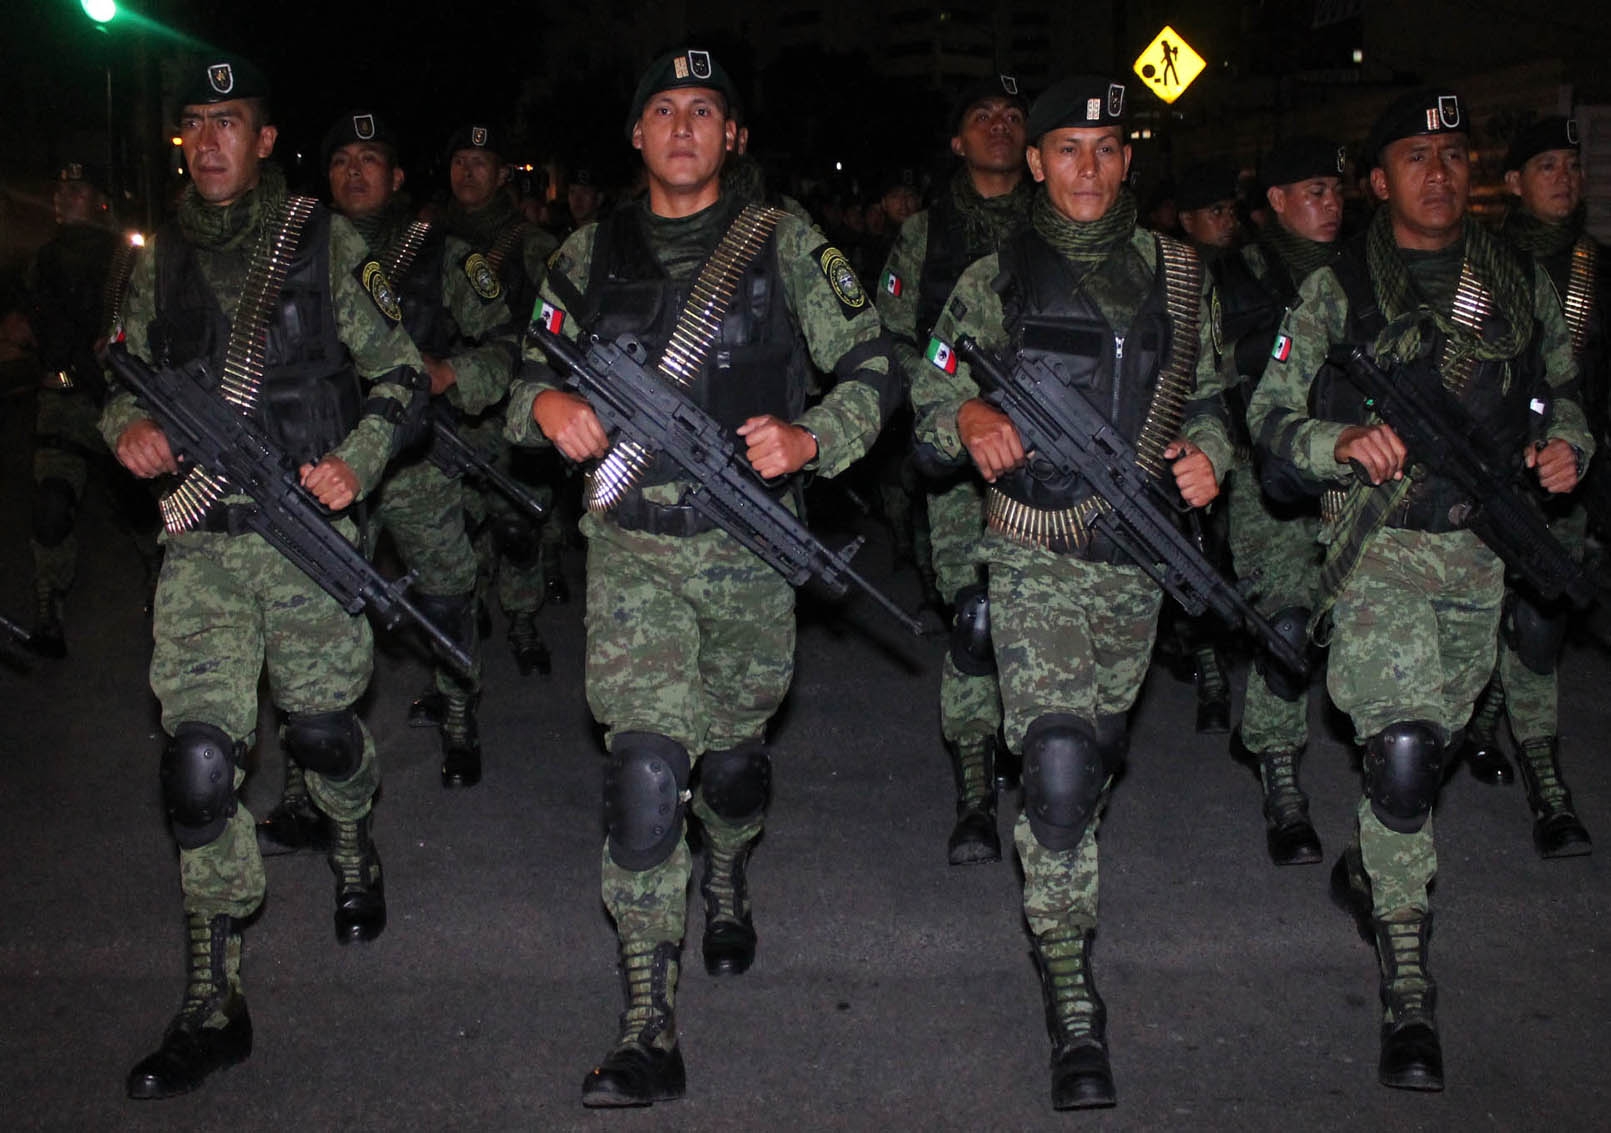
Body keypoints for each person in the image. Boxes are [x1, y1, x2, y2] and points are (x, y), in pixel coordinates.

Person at [505, 47, 901, 1107]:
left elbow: (873, 362)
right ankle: (646, 1022)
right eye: (663, 110)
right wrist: (545, 409)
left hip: (750, 548)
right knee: (643, 775)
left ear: (733, 137)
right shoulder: (584, 254)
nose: (683, 127)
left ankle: (726, 858)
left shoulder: (788, 243)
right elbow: (526, 370)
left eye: (705, 111)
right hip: (632, 543)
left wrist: (814, 439)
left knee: (729, 763)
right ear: (636, 136)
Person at [1247, 89, 1592, 1090]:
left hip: (1484, 551)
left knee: (1426, 752)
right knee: (1399, 755)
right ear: (1378, 178)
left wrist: (1570, 443)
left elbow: (1563, 392)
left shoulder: (1515, 280)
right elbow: (1268, 415)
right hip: (1382, 549)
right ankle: (1407, 979)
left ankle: (1377, 868)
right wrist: (1336, 440)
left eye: (1451, 154)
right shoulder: (1336, 288)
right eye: (1414, 155)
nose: (1438, 172)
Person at [100, 56, 427, 1099]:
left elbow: (404, 376)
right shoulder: (159, 260)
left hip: (305, 536)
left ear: (267, 139)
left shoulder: (325, 244)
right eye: (193, 123)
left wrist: (357, 464)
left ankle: (352, 831)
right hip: (201, 539)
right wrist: (130, 431)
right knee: (198, 762)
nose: (207, 142)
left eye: (229, 122)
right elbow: (115, 377)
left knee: (325, 729)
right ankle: (213, 1000)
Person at [911, 74, 1231, 1109]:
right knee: (1053, 764)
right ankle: (1069, 981)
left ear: (1126, 160)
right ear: (1037, 162)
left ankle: (1065, 871)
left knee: (1092, 751)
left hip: (1134, 558)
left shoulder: (1182, 276)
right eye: (1067, 149)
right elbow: (927, 388)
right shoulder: (992, 277)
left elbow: (1222, 393)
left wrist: (1209, 452)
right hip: (1034, 546)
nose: (1088, 167)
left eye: (1107, 147)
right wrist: (965, 421)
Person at [878, 74, 1033, 865]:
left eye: (1013, 116)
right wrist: (949, 407)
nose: (999, 127)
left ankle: (1044, 763)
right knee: (975, 617)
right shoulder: (925, 234)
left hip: (1054, 453)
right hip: (963, 448)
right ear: (957, 139)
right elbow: (893, 338)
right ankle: (974, 787)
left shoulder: (1062, 221)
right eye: (983, 115)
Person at [1459, 115, 1604, 857]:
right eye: (1545, 164)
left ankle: (1543, 778)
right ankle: (1492, 735)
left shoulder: (1592, 269)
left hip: (1567, 473)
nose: (1564, 178)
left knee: (1540, 625)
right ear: (1512, 182)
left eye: (1571, 165)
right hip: (1493, 472)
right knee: (1484, 623)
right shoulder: (1483, 265)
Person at [1212, 137, 1348, 865]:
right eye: (1313, 191)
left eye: (1335, 190)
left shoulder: (1361, 273)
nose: (1329, 205)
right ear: (1274, 201)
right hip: (1263, 474)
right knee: (1287, 629)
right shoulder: (1234, 277)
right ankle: (1280, 778)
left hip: (1355, 472)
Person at [439, 122, 564, 669]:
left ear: (502, 174)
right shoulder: (423, 238)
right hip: (443, 405)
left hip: (509, 404)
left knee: (516, 525)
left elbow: (561, 321)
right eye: (459, 160)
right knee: (450, 529)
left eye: (480, 162)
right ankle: (460, 625)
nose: (467, 171)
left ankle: (522, 620)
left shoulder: (530, 243)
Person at [26, 162, 127, 656]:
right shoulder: (41, 261)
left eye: (78, 190)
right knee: (51, 506)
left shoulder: (122, 260)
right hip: (62, 403)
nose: (65, 198)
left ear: (99, 200)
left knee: (146, 507)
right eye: (60, 189)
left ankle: (163, 589)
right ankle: (49, 611)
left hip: (114, 400)